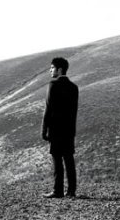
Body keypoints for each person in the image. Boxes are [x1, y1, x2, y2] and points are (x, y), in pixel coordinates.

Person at [41, 57, 79, 198]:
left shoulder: (53, 85)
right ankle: (71, 191)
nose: (50, 70)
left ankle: (58, 191)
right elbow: (74, 112)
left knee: (57, 160)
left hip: (56, 130)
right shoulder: (74, 87)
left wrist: (44, 130)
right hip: (69, 130)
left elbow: (48, 109)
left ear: (60, 69)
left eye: (52, 68)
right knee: (69, 160)